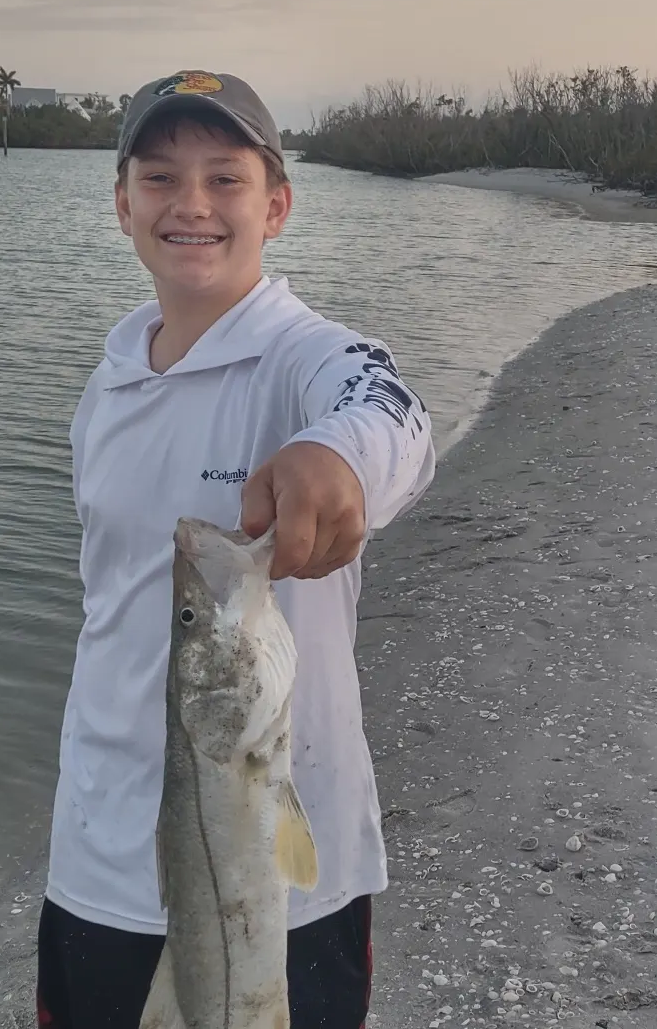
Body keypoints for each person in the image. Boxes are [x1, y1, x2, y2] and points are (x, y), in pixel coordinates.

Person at [38, 69, 437, 1029]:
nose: (192, 205)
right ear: (122, 204)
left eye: (226, 178)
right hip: (99, 851)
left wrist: (335, 457)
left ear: (277, 206)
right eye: (161, 178)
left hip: (283, 864)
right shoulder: (111, 382)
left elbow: (392, 413)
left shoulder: (304, 356)